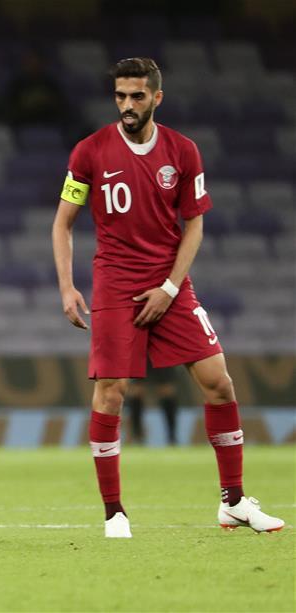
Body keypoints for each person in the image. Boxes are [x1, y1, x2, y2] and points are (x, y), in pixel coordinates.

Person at [51, 57, 283, 538]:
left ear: (157, 97)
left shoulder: (183, 151)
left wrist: (171, 287)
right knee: (111, 391)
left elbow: (194, 223)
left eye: (137, 96)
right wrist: (67, 285)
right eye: (120, 96)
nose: (127, 105)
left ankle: (234, 502)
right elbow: (63, 223)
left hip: (170, 284)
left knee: (219, 382)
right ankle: (114, 512)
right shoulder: (90, 151)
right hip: (115, 283)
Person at [126, 365, 179, 445]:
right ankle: (137, 436)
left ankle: (172, 436)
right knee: (136, 391)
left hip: (162, 354)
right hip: (139, 354)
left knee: (167, 391)